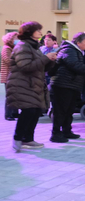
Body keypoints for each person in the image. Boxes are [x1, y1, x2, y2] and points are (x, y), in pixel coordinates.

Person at [7, 22, 57, 151]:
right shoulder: (23, 46)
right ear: (30, 32)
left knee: (35, 111)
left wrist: (50, 61)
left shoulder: (34, 47)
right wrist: (45, 58)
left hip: (34, 84)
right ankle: (18, 139)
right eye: (38, 30)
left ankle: (28, 139)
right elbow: (26, 66)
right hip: (23, 84)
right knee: (28, 111)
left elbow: (41, 66)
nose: (41, 33)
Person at [50, 32, 85, 143]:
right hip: (63, 85)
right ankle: (56, 133)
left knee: (69, 110)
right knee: (61, 110)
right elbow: (75, 66)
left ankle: (66, 131)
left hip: (72, 85)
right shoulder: (68, 50)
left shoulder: (78, 51)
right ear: (78, 42)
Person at [2, 32, 19, 121]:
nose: (17, 40)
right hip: (8, 75)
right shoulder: (6, 48)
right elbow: (8, 60)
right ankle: (8, 114)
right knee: (10, 95)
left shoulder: (12, 48)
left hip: (13, 75)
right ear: (10, 39)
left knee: (15, 94)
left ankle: (14, 112)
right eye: (15, 38)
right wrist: (17, 60)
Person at [40, 34, 57, 115]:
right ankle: (42, 108)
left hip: (50, 74)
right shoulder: (41, 49)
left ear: (54, 41)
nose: (46, 41)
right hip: (41, 74)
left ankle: (49, 108)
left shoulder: (55, 51)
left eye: (49, 40)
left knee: (50, 93)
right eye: (45, 40)